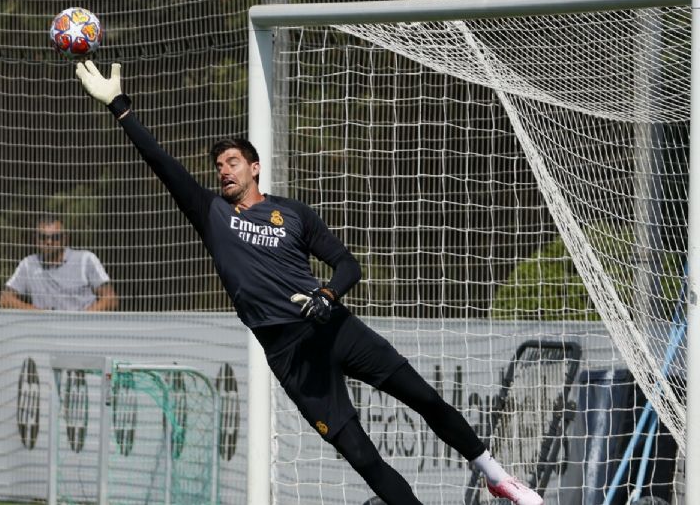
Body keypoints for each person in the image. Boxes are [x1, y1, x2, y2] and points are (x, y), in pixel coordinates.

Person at [74, 60, 542, 505]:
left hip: (333, 326)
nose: (224, 170)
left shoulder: (292, 213)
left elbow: (347, 265)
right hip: (289, 352)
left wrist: (327, 294)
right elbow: (161, 163)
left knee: (425, 398)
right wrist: (121, 106)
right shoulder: (211, 213)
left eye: (233, 161)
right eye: (218, 165)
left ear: (254, 167)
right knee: (361, 455)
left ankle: (499, 479)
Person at [0, 215, 118, 312]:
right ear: (35, 239)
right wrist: (37, 313)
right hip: (45, 332)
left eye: (55, 237)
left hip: (82, 331)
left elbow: (110, 298)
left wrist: (82, 319)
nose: (49, 242)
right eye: (43, 237)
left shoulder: (85, 260)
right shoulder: (28, 264)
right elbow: (5, 299)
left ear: (65, 238)